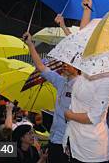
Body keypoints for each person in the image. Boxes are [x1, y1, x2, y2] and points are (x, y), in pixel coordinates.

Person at [23, 31, 77, 163]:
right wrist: (30, 44)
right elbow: (41, 67)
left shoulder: (82, 86)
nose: (64, 63)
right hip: (54, 139)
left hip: (70, 142)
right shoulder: (61, 81)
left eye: (69, 61)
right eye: (64, 60)